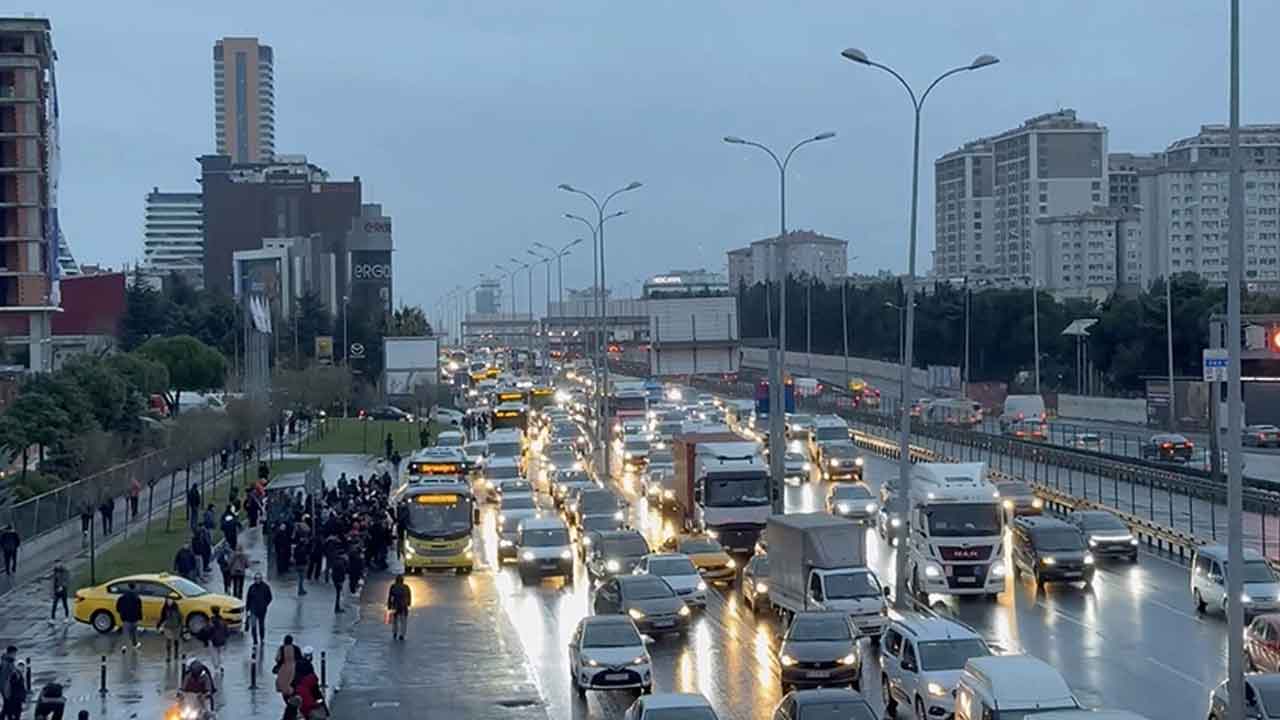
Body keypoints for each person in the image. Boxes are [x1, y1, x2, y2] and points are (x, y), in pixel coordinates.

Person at [245, 573, 272, 646]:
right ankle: (255, 640)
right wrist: (247, 609)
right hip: (253, 609)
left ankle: (262, 638)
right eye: (256, 579)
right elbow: (248, 598)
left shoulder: (265, 587)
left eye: (259, 578)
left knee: (261, 625)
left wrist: (265, 605)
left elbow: (269, 597)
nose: (257, 580)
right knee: (253, 626)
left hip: (262, 610)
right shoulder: (251, 587)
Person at [116, 583, 143, 650]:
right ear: (135, 587)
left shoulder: (122, 597)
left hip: (125, 618)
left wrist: (121, 614)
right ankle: (135, 644)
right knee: (134, 632)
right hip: (134, 618)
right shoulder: (137, 598)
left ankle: (124, 646)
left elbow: (118, 607)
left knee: (125, 633)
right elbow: (139, 609)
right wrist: (140, 618)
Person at [272, 635, 300, 700]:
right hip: (294, 669)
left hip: (284, 669)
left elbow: (277, 659)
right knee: (293, 684)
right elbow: (300, 658)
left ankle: (288, 700)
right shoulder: (296, 648)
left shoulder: (281, 648)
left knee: (284, 686)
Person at [157, 597, 183, 662]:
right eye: (168, 601)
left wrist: (182, 627)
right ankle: (168, 656)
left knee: (176, 641)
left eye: (170, 601)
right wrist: (159, 625)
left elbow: (180, 618)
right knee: (168, 641)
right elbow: (162, 617)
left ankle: (176, 653)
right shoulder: (164, 609)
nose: (169, 602)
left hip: (176, 627)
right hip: (168, 627)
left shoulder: (176, 609)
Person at [387, 574, 411, 641]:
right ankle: (402, 635)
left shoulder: (393, 586)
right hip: (404, 606)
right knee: (403, 621)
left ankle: (395, 632)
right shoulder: (406, 587)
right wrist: (408, 603)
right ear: (402, 580)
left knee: (395, 621)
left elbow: (390, 597)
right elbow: (409, 596)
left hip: (395, 605)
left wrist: (389, 605)